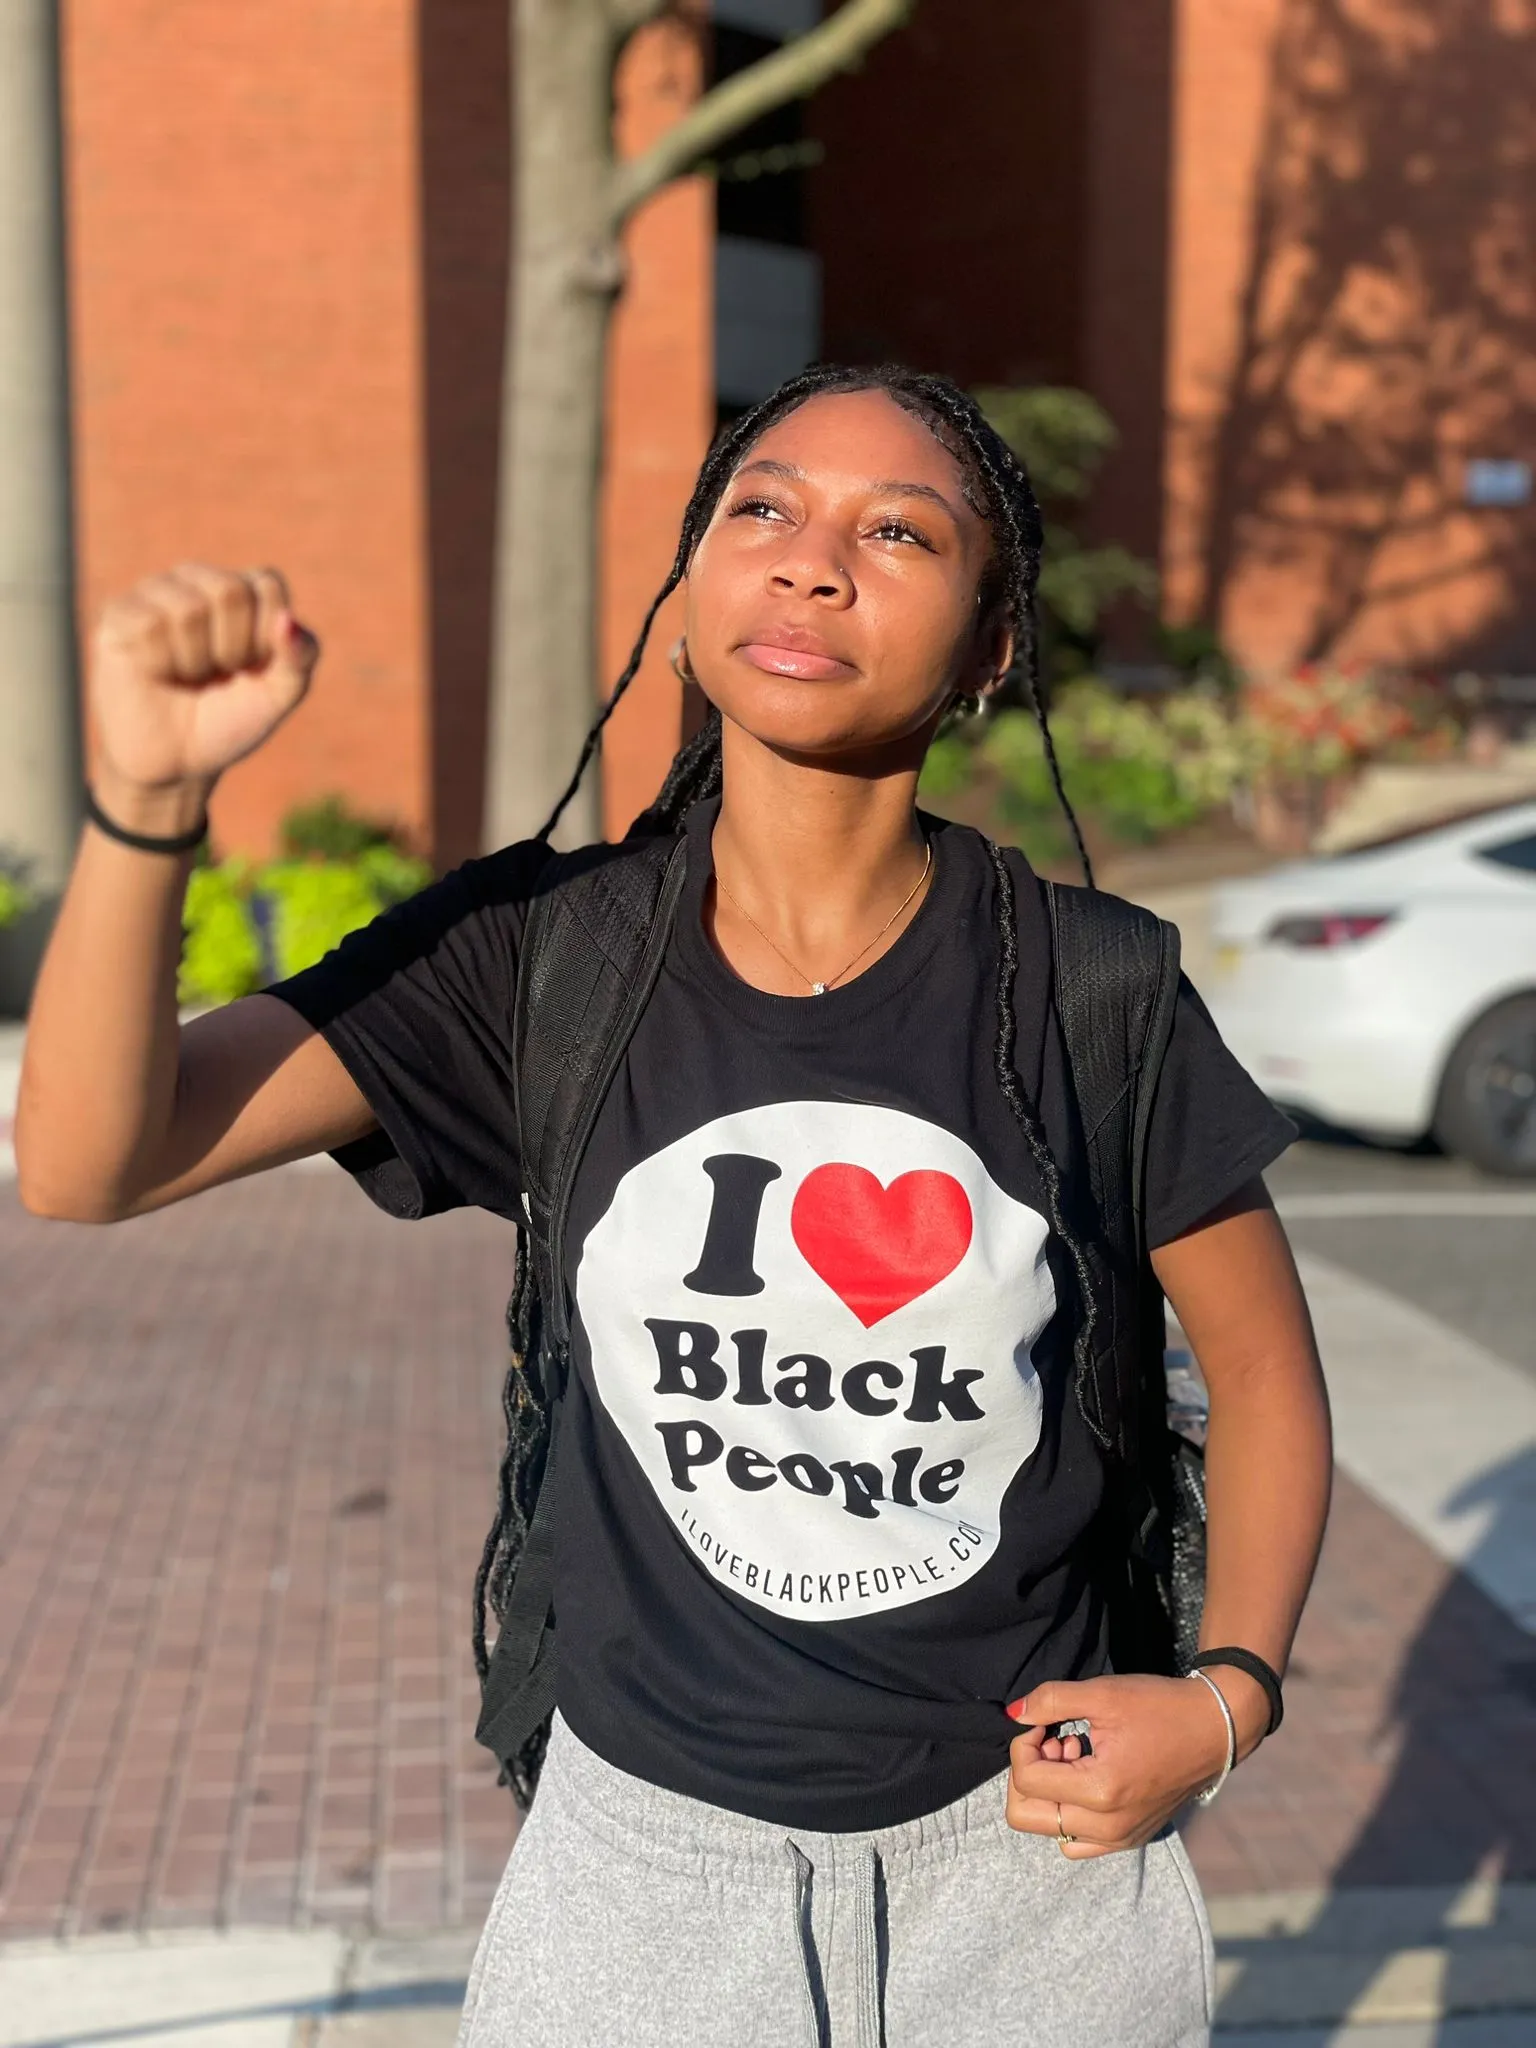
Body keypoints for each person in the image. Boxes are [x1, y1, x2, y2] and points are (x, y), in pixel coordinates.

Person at [18, 365, 1331, 2048]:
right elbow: (88, 1163)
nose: (811, 563)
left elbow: (1268, 1376)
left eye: (900, 532)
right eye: (762, 510)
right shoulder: (540, 957)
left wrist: (1226, 1704)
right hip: (640, 1871)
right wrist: (148, 810)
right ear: (693, 579)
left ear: (993, 647)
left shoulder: (1093, 989)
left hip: (1031, 1868)